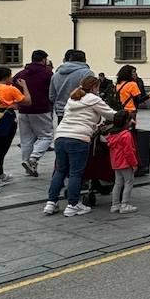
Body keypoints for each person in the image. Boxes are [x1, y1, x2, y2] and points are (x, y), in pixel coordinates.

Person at [43, 75, 115, 218]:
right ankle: (73, 205)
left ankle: (51, 203)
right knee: (76, 173)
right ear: (94, 87)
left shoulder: (73, 98)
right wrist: (126, 116)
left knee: (60, 171)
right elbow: (111, 115)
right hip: (79, 138)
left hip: (60, 137)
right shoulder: (94, 99)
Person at [0, 66, 30, 196]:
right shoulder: (10, 89)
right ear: (6, 77)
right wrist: (24, 86)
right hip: (5, 122)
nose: (12, 77)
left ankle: (1, 175)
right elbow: (27, 101)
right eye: (10, 75)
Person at [12, 50, 54, 177]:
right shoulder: (47, 74)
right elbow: (52, 91)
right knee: (46, 136)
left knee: (26, 140)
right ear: (43, 60)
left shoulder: (20, 74)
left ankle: (27, 166)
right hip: (41, 109)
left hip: (23, 110)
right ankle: (33, 159)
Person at [48, 49, 92, 125]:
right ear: (84, 60)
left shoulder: (56, 75)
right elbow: (91, 95)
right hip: (81, 113)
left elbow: (51, 97)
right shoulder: (87, 73)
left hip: (62, 113)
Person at [106, 111, 138, 213]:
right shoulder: (126, 135)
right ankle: (125, 204)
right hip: (125, 163)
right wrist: (134, 164)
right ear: (126, 122)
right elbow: (129, 151)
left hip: (115, 163)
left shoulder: (112, 134)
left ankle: (115, 204)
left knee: (118, 183)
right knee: (129, 182)